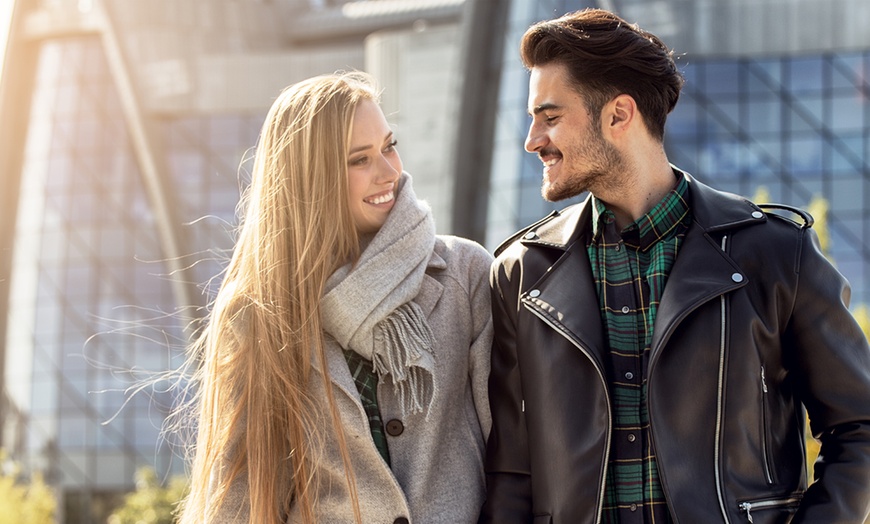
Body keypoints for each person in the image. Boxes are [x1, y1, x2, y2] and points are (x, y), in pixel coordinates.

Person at [480, 8, 870, 524]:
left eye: (550, 118)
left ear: (619, 114)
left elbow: (858, 428)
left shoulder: (776, 254)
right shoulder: (521, 274)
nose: (532, 140)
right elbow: (513, 472)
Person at [175, 71, 493, 523]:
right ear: (311, 180)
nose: (388, 171)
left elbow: (509, 458)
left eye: (389, 145)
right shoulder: (258, 312)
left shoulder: (465, 273)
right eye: (359, 160)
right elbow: (238, 491)